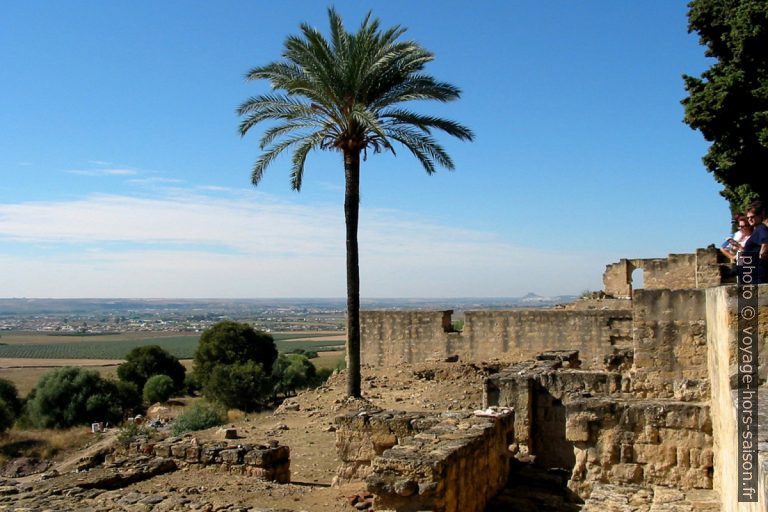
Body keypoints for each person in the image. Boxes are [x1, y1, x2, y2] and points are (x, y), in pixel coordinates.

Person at [741, 201, 768, 283]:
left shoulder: (761, 228)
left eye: (752, 217)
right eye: (748, 217)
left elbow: (766, 241)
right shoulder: (756, 230)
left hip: (757, 274)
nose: (749, 219)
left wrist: (761, 257)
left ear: (761, 215)